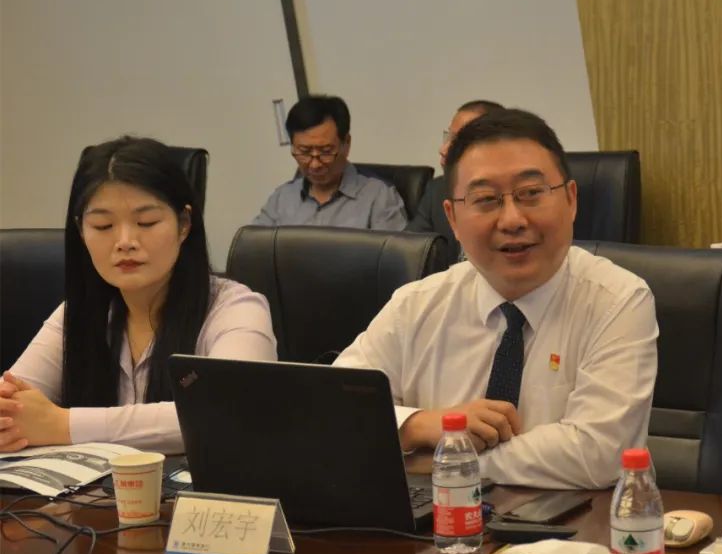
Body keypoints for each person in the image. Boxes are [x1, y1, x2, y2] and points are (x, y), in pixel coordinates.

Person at [334, 108, 658, 489]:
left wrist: (444, 460)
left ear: (571, 200)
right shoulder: (416, 305)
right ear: (453, 219)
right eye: (486, 199)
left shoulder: (618, 301)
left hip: (581, 522)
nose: (512, 220)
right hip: (440, 521)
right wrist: (416, 426)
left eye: (531, 194)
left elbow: (598, 453)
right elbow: (331, 408)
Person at [0, 137, 277, 455]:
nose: (125, 241)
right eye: (103, 226)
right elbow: (11, 403)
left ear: (184, 224)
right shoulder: (78, 312)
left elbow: (226, 411)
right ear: (81, 232)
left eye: (146, 222)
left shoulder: (236, 309)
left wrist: (63, 425)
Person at [253, 95, 407, 230]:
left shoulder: (378, 197)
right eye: (304, 152)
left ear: (346, 143)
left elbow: (393, 253)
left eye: (326, 151)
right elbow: (252, 248)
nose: (315, 165)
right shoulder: (281, 198)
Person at [407, 99, 504, 259]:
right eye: (448, 137)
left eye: (458, 141)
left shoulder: (512, 198)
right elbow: (407, 253)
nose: (443, 150)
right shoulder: (438, 189)